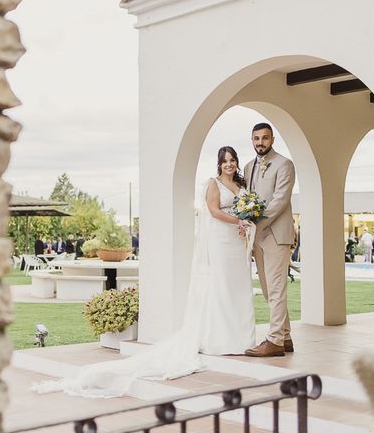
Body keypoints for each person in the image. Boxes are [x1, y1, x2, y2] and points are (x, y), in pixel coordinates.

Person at [32, 146, 256, 398]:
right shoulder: (213, 184)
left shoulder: (241, 185)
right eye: (225, 161)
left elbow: (243, 210)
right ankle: (220, 339)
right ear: (219, 164)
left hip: (237, 241)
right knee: (221, 286)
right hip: (219, 240)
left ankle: (240, 337)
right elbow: (214, 211)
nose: (229, 164)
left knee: (237, 286)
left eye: (232, 160)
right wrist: (239, 220)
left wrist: (245, 222)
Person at [244, 123, 296, 357]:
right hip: (258, 238)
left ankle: (274, 340)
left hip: (276, 234)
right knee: (268, 290)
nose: (260, 142)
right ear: (252, 140)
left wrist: (258, 224)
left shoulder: (285, 164)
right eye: (256, 138)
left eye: (265, 138)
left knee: (276, 289)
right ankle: (285, 336)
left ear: (272, 139)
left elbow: (279, 200)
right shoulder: (247, 167)